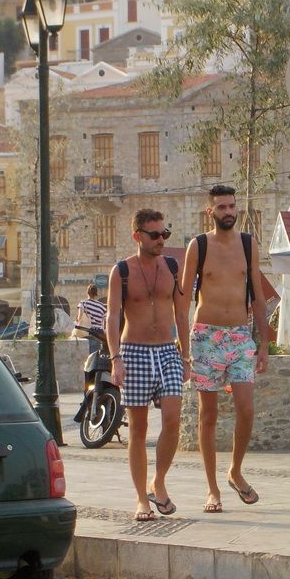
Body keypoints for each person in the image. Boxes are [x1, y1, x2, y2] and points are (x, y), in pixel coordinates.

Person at [180, 184, 269, 514]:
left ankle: (234, 471)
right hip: (206, 337)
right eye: (221, 207)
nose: (228, 212)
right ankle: (212, 488)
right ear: (210, 212)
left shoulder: (248, 244)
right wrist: (182, 343)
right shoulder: (199, 246)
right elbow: (182, 296)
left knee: (246, 408)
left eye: (232, 206)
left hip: (240, 336)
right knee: (209, 415)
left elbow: (257, 295)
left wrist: (264, 344)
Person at [106, 209, 190, 522]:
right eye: (154, 235)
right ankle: (142, 498)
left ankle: (159, 481)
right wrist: (116, 358)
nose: (161, 240)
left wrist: (185, 356)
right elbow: (112, 316)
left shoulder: (172, 267)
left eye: (164, 234)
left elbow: (182, 315)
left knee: (172, 418)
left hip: (168, 350)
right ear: (137, 235)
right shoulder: (121, 271)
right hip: (134, 351)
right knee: (138, 430)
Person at [76, 283, 107, 355]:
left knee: (87, 355)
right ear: (96, 293)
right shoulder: (102, 306)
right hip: (99, 333)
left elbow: (79, 316)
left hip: (88, 331)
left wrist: (77, 322)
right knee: (96, 354)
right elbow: (106, 320)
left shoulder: (83, 303)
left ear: (87, 292)